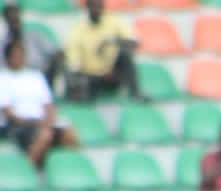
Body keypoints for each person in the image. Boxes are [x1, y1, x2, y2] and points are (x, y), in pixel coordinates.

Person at [1, 40, 78, 168]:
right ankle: (27, 171)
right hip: (19, 125)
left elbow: (48, 105)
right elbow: (8, 112)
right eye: (16, 55)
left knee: (68, 132)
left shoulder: (36, 76)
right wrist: (36, 122)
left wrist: (49, 119)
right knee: (45, 135)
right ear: (8, 57)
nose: (20, 58)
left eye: (22, 54)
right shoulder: (3, 78)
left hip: (42, 122)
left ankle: (71, 170)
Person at [64, 0, 143, 102]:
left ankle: (135, 94)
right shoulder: (78, 29)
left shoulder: (114, 21)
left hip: (112, 74)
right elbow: (73, 62)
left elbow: (134, 42)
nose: (97, 10)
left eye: (99, 6)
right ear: (87, 7)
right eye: (94, 6)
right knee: (78, 80)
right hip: (91, 77)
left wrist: (111, 41)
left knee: (125, 56)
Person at [3, 3, 63, 87]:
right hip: (12, 81)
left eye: (16, 15)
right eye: (11, 17)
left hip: (40, 77)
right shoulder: (3, 43)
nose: (14, 19)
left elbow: (56, 52)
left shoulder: (33, 35)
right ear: (6, 19)